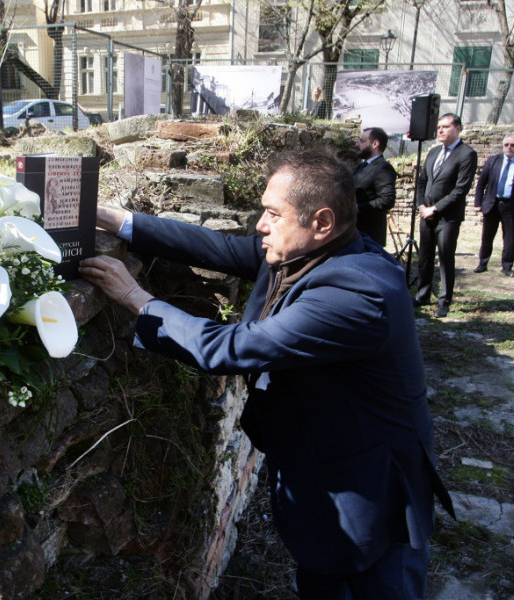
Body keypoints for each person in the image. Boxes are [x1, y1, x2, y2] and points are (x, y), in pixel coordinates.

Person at [79, 149, 454, 600]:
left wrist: (136, 298)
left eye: (274, 214)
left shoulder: (359, 293)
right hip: (324, 475)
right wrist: (112, 219)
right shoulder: (314, 251)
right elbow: (216, 247)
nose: (260, 224)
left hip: (370, 498)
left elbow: (230, 347)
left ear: (322, 222)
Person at [414, 113, 477, 318]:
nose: (440, 130)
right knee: (424, 256)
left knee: (445, 257)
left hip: (447, 217)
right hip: (426, 214)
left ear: (458, 129)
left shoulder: (466, 154)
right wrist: (422, 206)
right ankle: (422, 295)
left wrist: (435, 208)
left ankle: (444, 301)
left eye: (445, 127)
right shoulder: (433, 152)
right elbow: (422, 181)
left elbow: (460, 189)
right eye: (439, 127)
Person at [472, 132, 514, 277]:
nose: (509, 148)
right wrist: (478, 202)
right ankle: (482, 263)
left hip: (511, 205)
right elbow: (481, 182)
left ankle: (507, 266)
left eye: (513, 145)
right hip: (492, 203)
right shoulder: (493, 160)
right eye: (506, 145)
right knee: (487, 236)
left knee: (509, 238)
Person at [354, 127, 397, 247]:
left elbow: (387, 200)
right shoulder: (362, 166)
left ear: (375, 144)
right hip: (357, 233)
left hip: (369, 235)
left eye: (362, 141)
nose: (357, 144)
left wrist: (357, 208)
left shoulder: (383, 168)